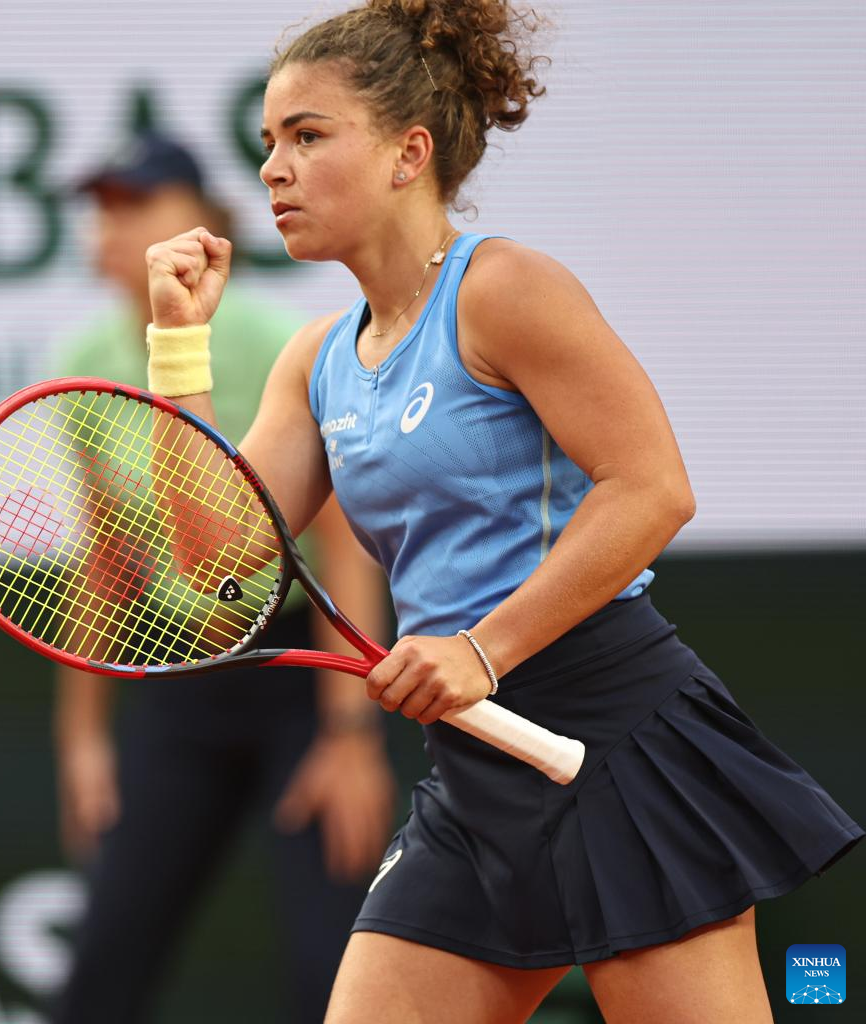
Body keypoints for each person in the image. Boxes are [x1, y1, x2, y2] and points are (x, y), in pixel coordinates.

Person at [140, 2, 864, 1021]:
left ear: (408, 153)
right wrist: (177, 347)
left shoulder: (504, 289)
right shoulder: (315, 362)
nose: (272, 169)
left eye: (307, 136)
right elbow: (211, 552)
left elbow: (651, 488)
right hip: (474, 777)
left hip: (614, 740)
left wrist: (481, 649)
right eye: (268, 141)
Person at [50, 131, 396, 1024]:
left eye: (137, 202)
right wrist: (84, 741)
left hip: (303, 678)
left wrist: (349, 735)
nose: (112, 226)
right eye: (102, 208)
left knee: (332, 980)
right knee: (102, 971)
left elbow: (340, 545)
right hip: (180, 676)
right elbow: (104, 560)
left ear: (204, 220)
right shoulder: (80, 363)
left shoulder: (270, 343)